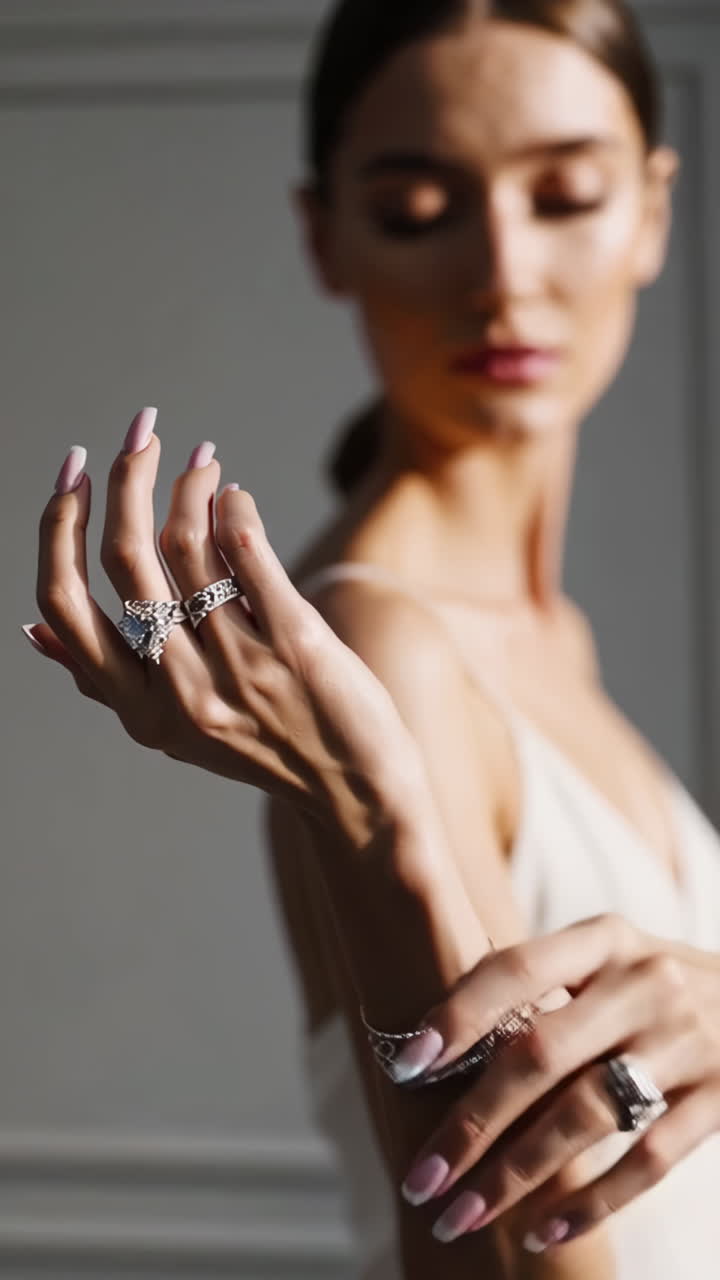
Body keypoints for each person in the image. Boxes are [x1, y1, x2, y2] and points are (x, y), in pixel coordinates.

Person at [23, 1, 720, 1278]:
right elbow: (486, 1255)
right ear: (324, 235)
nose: (504, 272)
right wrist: (374, 807)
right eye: (418, 210)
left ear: (654, 211)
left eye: (565, 193)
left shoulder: (546, 631)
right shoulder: (383, 648)